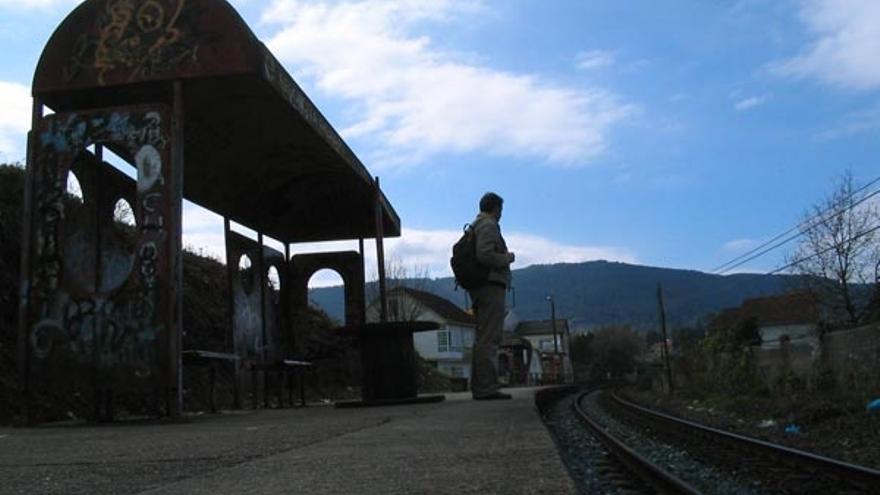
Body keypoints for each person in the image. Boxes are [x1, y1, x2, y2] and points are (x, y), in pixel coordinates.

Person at [468, 192, 515, 400]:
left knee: (482, 337)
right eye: (501, 209)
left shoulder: (477, 224)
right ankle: (487, 387)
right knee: (490, 337)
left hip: (481, 287)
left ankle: (480, 386)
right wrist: (506, 258)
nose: (501, 214)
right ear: (495, 208)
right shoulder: (488, 225)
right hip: (490, 286)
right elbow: (484, 254)